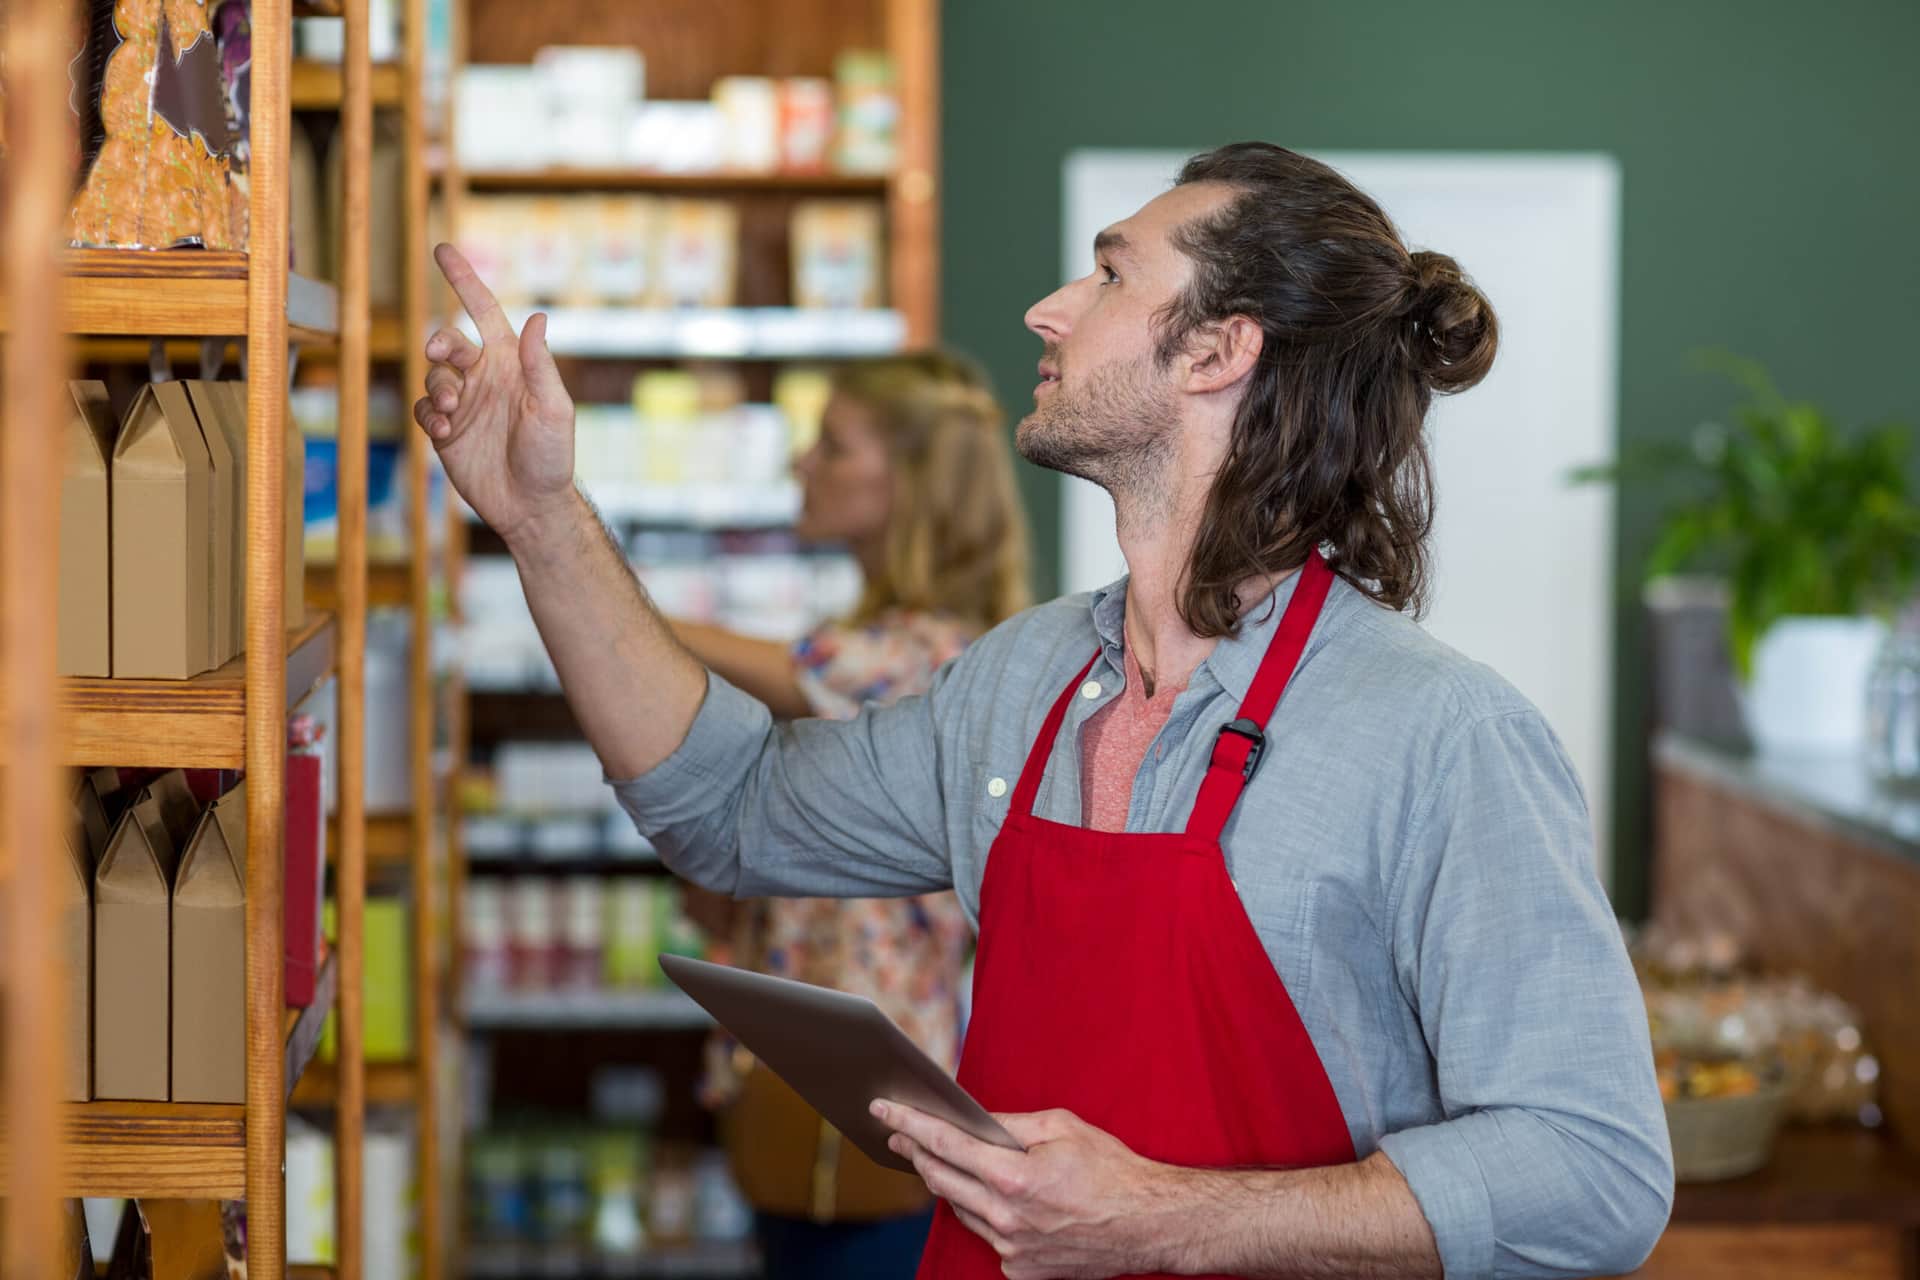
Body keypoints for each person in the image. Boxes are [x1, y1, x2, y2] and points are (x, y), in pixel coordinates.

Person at [415, 141, 1674, 1279]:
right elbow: (728, 808)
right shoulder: (1020, 681)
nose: (1049, 308)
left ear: (1219, 348)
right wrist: (539, 519)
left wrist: (1168, 1217)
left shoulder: (1444, 737)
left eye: (1110, 276)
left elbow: (1594, 1168)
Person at [666, 351, 1029, 1278]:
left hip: (884, 1122)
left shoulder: (931, 658)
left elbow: (782, 672)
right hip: (820, 1094)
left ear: (905, 479)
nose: (803, 463)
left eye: (832, 444)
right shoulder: (881, 640)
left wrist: (580, 576)